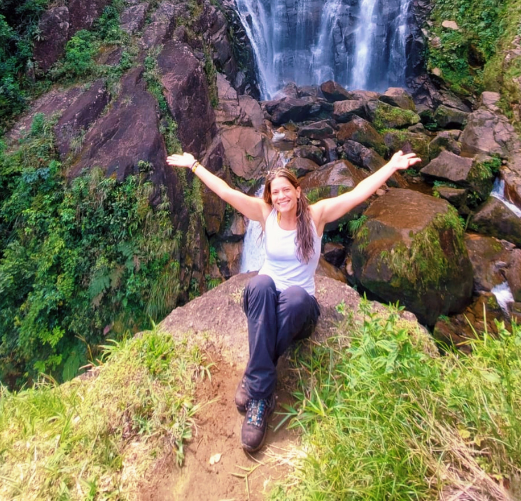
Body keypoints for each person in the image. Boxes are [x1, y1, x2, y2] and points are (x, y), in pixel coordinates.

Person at [166, 148, 420, 452]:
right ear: (270, 198)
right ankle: (263, 395)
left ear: (298, 192)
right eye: (276, 192)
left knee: (297, 296)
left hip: (300, 311)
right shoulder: (265, 214)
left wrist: (391, 166)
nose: (282, 196)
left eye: (287, 189)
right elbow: (225, 191)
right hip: (265, 300)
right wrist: (193, 164)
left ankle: (254, 382)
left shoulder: (317, 216)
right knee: (259, 283)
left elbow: (357, 193)